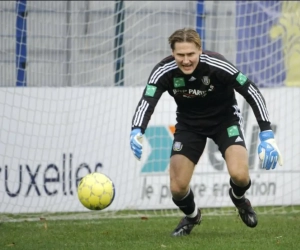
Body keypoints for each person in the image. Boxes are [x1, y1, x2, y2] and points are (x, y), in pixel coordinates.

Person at [129, 28, 283, 237]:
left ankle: (239, 199)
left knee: (240, 175)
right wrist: (137, 130)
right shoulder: (163, 70)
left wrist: (266, 133)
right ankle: (192, 216)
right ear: (172, 53)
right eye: (180, 55)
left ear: (200, 50)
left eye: (190, 54)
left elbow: (251, 90)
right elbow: (148, 100)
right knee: (177, 187)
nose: (185, 60)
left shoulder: (216, 65)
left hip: (224, 121)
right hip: (189, 125)